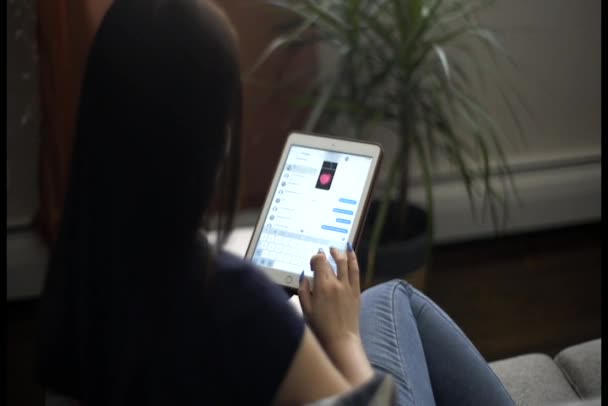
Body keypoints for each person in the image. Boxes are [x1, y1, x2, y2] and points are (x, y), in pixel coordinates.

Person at [36, 1, 515, 405]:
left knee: (383, 298)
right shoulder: (231, 303)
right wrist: (342, 337)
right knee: (385, 299)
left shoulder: (75, 279)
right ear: (211, 141)